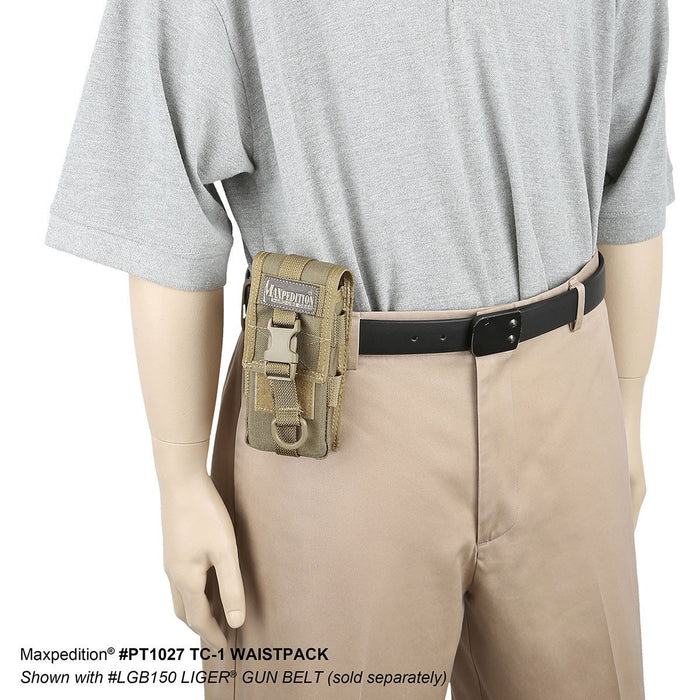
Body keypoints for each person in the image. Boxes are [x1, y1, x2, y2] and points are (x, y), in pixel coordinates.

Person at [45, 1, 674, 698]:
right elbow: (163, 197)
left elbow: (632, 166)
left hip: (569, 397)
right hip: (333, 423)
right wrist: (179, 477)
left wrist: (627, 407)